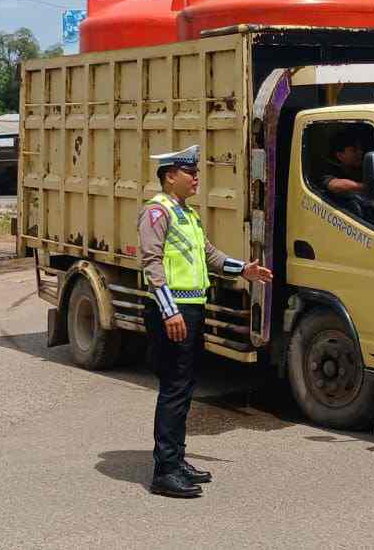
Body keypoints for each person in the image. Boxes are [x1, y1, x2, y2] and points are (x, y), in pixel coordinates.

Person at [139, 145, 272, 499]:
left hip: (192, 309)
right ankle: (165, 471)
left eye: (196, 172)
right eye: (190, 172)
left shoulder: (188, 215)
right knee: (174, 389)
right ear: (170, 176)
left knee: (185, 387)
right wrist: (169, 311)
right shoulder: (156, 211)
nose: (197, 178)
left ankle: (177, 459)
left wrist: (244, 270)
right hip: (172, 312)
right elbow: (151, 264)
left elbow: (209, 255)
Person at [317, 128, 374, 220]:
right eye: (354, 150)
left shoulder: (362, 168)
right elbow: (334, 185)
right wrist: (365, 187)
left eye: (360, 149)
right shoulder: (328, 170)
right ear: (340, 155)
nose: (360, 153)